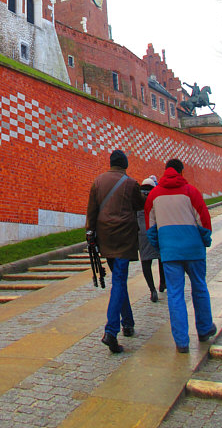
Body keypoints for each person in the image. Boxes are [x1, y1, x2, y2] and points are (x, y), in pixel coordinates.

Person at [145, 158, 216, 354]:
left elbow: (150, 228)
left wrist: (162, 246)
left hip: (170, 253)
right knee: (200, 288)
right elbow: (204, 221)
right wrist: (205, 240)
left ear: (165, 171)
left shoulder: (154, 195)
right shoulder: (191, 191)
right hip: (194, 249)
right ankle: (204, 329)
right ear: (181, 172)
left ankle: (182, 342)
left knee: (175, 295)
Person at [86, 149, 144, 354]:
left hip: (105, 238)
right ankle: (111, 331)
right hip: (124, 237)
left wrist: (90, 233)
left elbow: (91, 210)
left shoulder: (98, 181)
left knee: (119, 280)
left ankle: (128, 323)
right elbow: (140, 206)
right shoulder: (130, 183)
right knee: (119, 281)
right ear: (125, 164)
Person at [137, 176, 166, 301]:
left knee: (146, 262)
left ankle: (152, 289)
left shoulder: (137, 198)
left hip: (142, 234)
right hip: (156, 231)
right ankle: (163, 283)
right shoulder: (156, 195)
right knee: (161, 260)